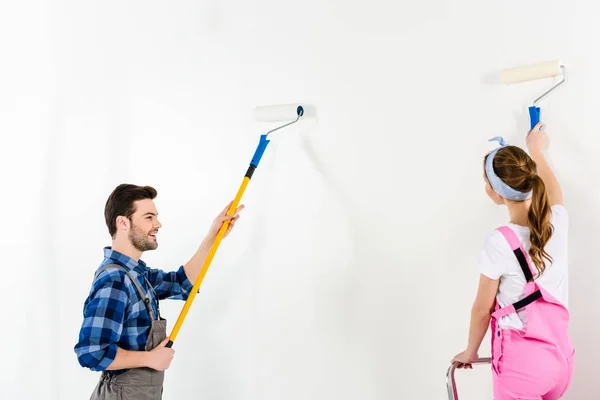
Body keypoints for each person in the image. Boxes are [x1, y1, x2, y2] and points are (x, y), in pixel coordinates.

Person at [74, 183, 244, 399]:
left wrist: (213, 236)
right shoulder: (115, 280)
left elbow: (182, 283)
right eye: (149, 217)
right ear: (123, 222)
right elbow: (91, 352)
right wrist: (149, 359)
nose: (158, 224)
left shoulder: (136, 273)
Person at [451, 122, 575, 399]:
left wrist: (471, 351)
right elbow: (556, 193)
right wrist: (536, 150)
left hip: (524, 368)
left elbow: (482, 309)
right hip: (561, 360)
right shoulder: (556, 222)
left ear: (492, 191)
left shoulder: (499, 241)